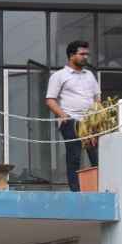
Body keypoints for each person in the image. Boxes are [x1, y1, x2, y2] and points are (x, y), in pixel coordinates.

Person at [46, 39, 100, 192]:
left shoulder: (90, 75)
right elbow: (50, 100)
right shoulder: (59, 76)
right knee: (74, 156)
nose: (85, 57)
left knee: (96, 156)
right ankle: (75, 191)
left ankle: (100, 188)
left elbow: (97, 98)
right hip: (71, 121)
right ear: (71, 55)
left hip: (90, 122)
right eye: (82, 54)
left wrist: (96, 118)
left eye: (87, 54)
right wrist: (63, 115)